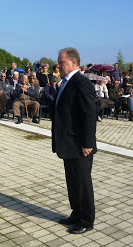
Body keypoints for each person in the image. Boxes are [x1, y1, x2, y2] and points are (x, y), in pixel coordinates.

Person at [52, 48, 96, 234]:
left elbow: (88, 114)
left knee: (82, 183)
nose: (58, 66)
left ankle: (86, 220)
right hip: (68, 143)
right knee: (72, 181)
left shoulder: (81, 82)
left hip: (80, 144)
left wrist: (87, 143)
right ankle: (76, 213)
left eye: (61, 62)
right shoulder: (65, 83)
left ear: (73, 62)